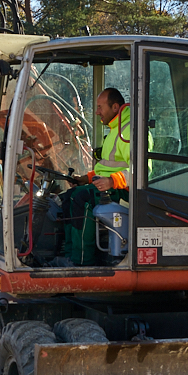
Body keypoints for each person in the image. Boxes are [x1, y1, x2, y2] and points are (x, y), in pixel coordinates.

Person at [58, 87, 133, 265]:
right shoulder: (116, 130)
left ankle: (82, 261)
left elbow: (142, 171)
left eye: (100, 107)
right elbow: (107, 168)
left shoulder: (129, 132)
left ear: (115, 107)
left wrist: (112, 181)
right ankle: (69, 254)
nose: (97, 111)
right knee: (68, 197)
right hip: (111, 186)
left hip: (126, 191)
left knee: (81, 198)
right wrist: (86, 178)